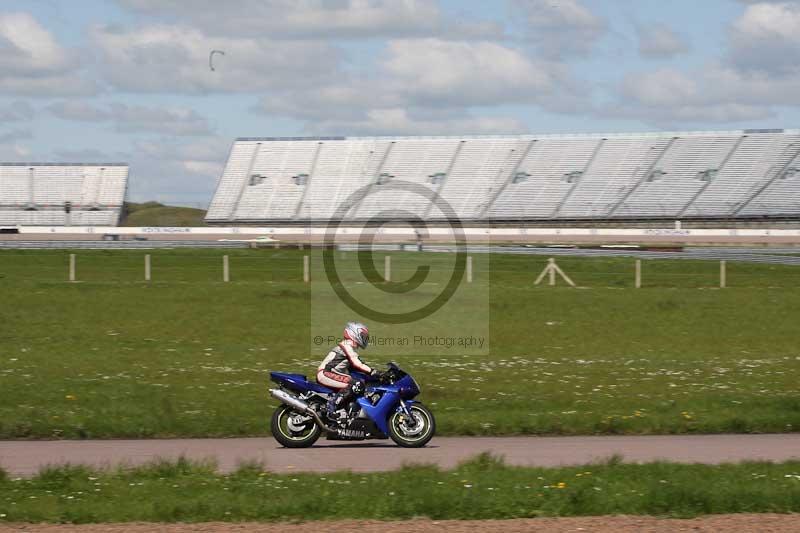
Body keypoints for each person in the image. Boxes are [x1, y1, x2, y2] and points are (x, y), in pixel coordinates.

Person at [317, 322, 380, 421]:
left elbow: (356, 367)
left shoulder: (348, 348)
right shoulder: (346, 346)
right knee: (356, 384)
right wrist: (373, 371)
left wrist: (373, 375)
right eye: (363, 336)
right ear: (354, 334)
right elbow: (357, 364)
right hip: (326, 374)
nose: (364, 339)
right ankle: (331, 406)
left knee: (357, 381)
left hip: (329, 374)